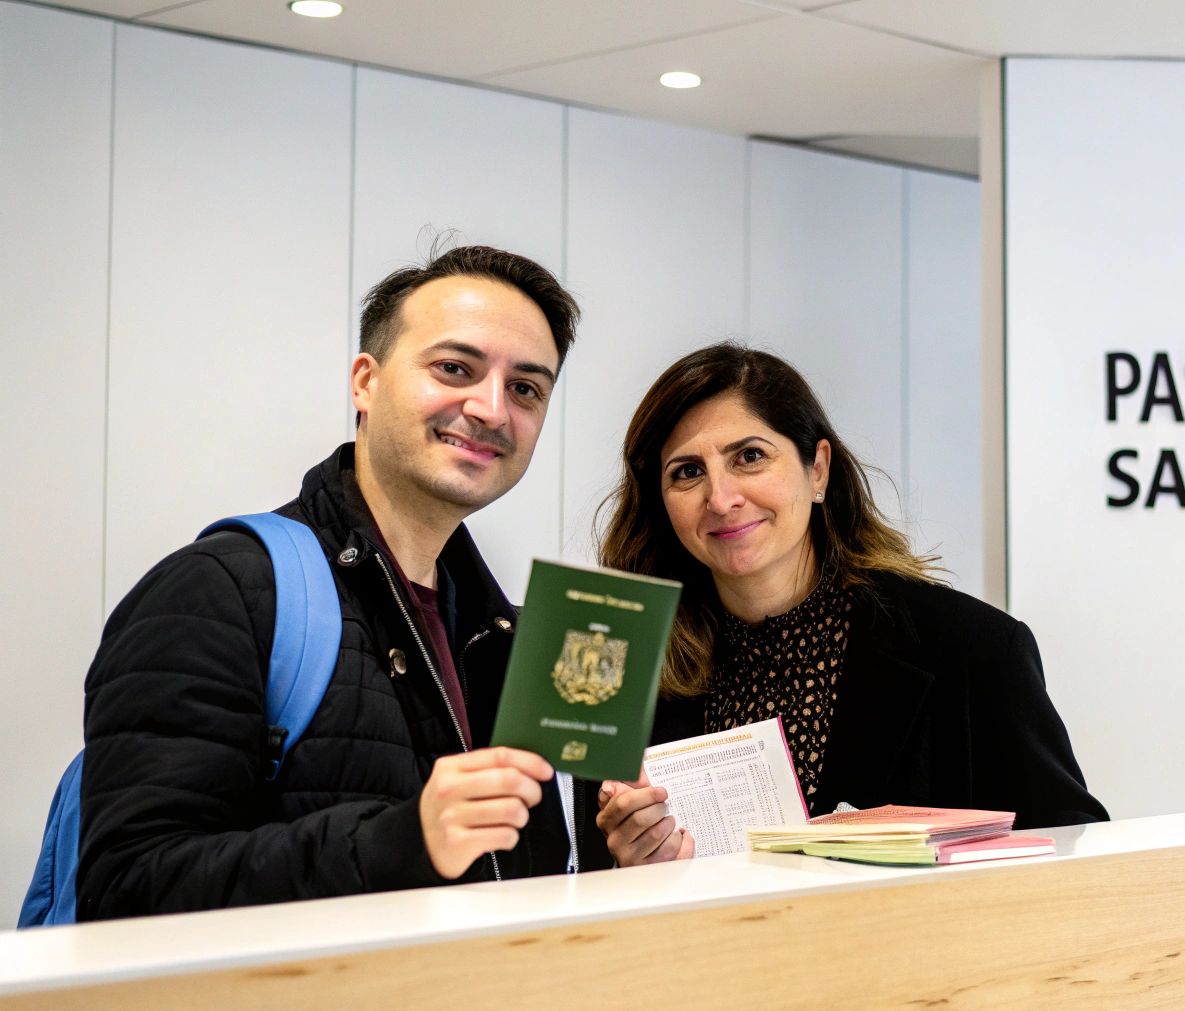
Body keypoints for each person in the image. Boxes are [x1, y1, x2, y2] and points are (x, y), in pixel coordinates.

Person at [80, 245, 600, 920]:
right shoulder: (219, 592)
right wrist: (400, 841)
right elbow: (126, 889)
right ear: (365, 381)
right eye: (454, 368)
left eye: (526, 388)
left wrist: (617, 853)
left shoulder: (510, 636)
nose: (492, 409)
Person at [591, 343, 1107, 867]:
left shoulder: (972, 650)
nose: (721, 499)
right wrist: (632, 869)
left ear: (817, 469)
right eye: (687, 472)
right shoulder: (632, 671)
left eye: (749, 457)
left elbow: (1073, 855)